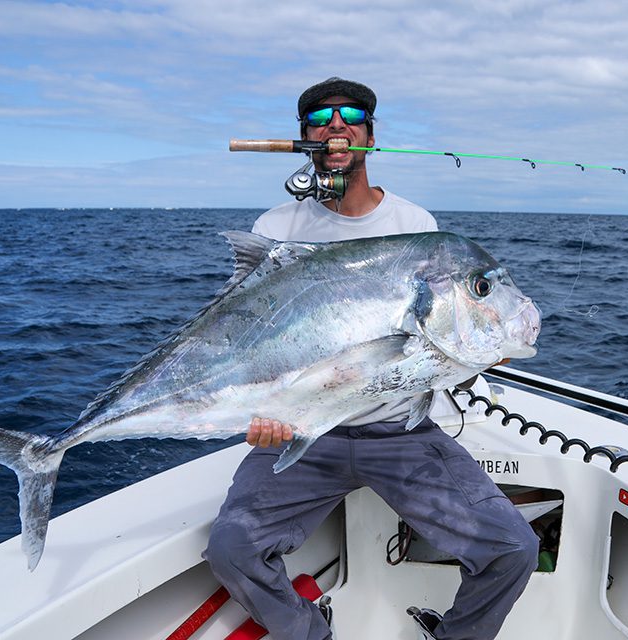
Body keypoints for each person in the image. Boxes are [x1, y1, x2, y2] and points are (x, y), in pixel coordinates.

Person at [205, 77, 539, 640]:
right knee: (232, 548)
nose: (337, 125)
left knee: (513, 548)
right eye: (320, 118)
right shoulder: (275, 230)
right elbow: (244, 344)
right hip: (304, 433)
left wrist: (479, 345)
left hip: (401, 434)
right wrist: (258, 415)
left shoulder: (415, 227)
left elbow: (435, 336)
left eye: (352, 116)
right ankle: (312, 631)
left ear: (370, 135)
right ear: (305, 136)